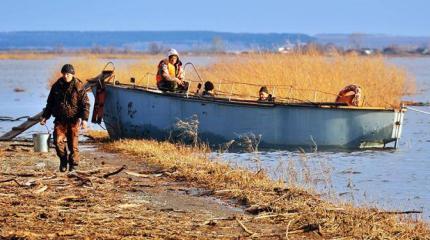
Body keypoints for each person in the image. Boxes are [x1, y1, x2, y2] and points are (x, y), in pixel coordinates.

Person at [40, 64, 90, 172]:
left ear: (72, 74)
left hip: (73, 120)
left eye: (68, 74)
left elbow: (85, 104)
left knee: (73, 146)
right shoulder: (56, 86)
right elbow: (50, 103)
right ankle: (63, 161)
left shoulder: (79, 86)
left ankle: (73, 166)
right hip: (60, 120)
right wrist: (45, 117)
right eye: (64, 74)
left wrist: (84, 120)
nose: (65, 76)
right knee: (58, 143)